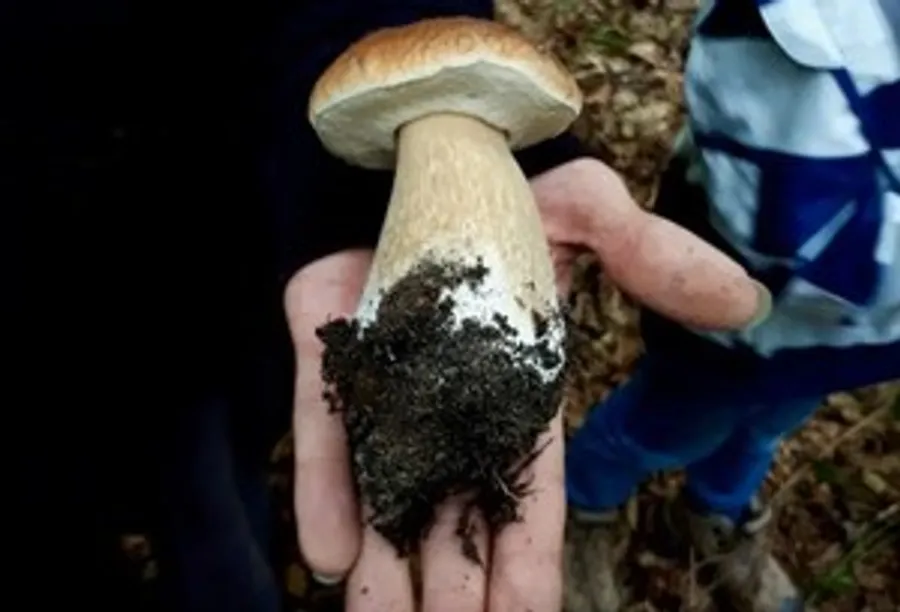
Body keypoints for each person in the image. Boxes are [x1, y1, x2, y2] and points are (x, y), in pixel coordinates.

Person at [562, 1, 900, 611]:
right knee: (663, 426)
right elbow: (775, 199)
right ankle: (582, 503)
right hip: (736, 322)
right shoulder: (792, 19)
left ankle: (715, 512)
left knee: (769, 427)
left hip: (852, 343)